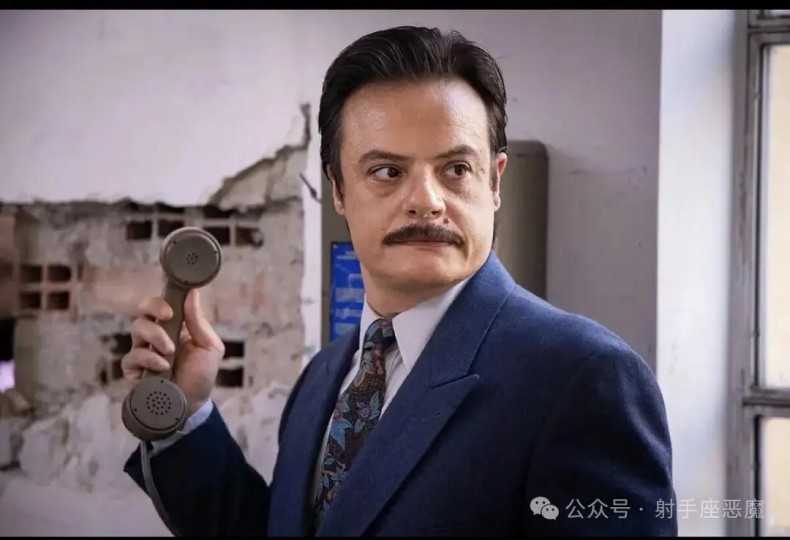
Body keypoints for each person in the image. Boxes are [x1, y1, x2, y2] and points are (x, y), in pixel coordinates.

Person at [122, 26, 678, 536]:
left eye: (456, 169)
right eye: (387, 172)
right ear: (339, 190)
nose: (427, 201)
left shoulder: (583, 378)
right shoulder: (324, 375)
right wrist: (187, 413)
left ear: (494, 182)